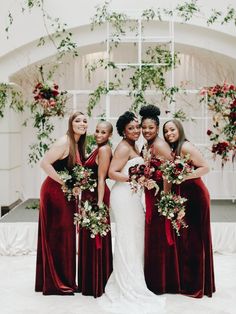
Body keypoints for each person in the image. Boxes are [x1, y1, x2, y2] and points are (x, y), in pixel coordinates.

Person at [100, 111, 165, 314]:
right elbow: (112, 173)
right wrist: (134, 179)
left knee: (135, 237)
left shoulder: (134, 145)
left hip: (132, 196)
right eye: (132, 128)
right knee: (128, 237)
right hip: (123, 197)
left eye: (138, 127)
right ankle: (127, 282)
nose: (137, 130)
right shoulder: (122, 147)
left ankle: (135, 276)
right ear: (123, 131)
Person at [35, 111, 87, 295]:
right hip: (54, 192)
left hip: (65, 193)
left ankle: (65, 279)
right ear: (71, 124)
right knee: (59, 236)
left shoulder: (78, 144)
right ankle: (57, 282)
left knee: (66, 235)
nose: (82, 123)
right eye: (78, 120)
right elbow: (45, 164)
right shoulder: (64, 141)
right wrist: (66, 182)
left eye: (85, 121)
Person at [163, 119, 216, 298]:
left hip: (196, 195)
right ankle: (193, 281)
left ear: (179, 130)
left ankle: (196, 285)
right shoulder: (174, 149)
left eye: (172, 129)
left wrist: (183, 176)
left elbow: (205, 168)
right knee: (187, 239)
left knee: (195, 240)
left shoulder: (185, 147)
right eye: (166, 131)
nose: (169, 133)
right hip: (186, 195)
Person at [139, 105, 180, 295]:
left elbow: (169, 172)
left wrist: (165, 199)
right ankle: (153, 279)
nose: (147, 131)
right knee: (153, 237)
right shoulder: (147, 145)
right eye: (144, 127)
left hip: (159, 198)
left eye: (151, 127)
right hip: (151, 195)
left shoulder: (160, 145)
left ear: (157, 127)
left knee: (158, 238)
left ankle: (161, 282)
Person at [78, 121, 113, 297]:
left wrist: (99, 204)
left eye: (103, 132)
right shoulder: (98, 147)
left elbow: (101, 178)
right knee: (88, 237)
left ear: (110, 135)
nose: (99, 135)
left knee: (95, 236)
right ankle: (88, 280)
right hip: (88, 195)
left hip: (95, 196)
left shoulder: (105, 149)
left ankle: (96, 282)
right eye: (97, 131)